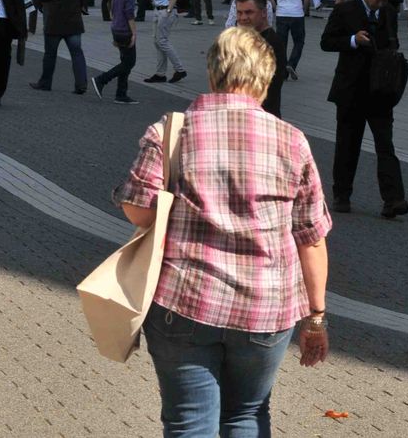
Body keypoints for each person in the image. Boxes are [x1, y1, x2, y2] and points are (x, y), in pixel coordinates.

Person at [115, 28, 330, 437]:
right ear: (265, 81)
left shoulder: (171, 132)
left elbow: (139, 213)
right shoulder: (293, 142)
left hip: (184, 301)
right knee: (246, 415)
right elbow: (311, 238)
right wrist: (316, 318)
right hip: (265, 311)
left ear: (213, 74)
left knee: (189, 421)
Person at [320, 0, 408, 217]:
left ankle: (393, 199)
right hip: (350, 88)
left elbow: (394, 43)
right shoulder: (345, 10)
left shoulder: (389, 13)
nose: (380, 4)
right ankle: (342, 195)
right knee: (348, 144)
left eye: (384, 1)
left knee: (385, 145)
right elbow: (326, 42)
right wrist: (352, 40)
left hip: (381, 91)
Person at [29, 0, 87, 95]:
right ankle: (81, 84)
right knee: (77, 53)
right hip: (73, 22)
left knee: (50, 54)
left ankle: (45, 82)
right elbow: (82, 0)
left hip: (54, 23)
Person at [92, 0, 138, 103]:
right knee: (129, 62)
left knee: (125, 61)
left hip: (116, 27)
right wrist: (134, 32)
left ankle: (121, 93)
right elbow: (129, 12)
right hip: (124, 29)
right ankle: (102, 79)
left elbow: (112, 4)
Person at [236, 0, 288, 118]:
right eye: (239, 13)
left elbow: (268, 90)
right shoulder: (246, 38)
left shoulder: (270, 43)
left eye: (249, 12)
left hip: (260, 118)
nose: (243, 18)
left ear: (264, 13)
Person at [142, 0, 186, 85]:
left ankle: (179, 69)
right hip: (157, 9)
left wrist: (168, 10)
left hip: (165, 10)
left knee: (162, 41)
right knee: (157, 42)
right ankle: (160, 73)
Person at [269, 0, 311, 78]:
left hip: (282, 13)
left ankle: (283, 71)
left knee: (281, 44)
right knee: (299, 41)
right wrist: (304, 9)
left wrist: (275, 6)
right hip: (297, 13)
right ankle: (291, 64)